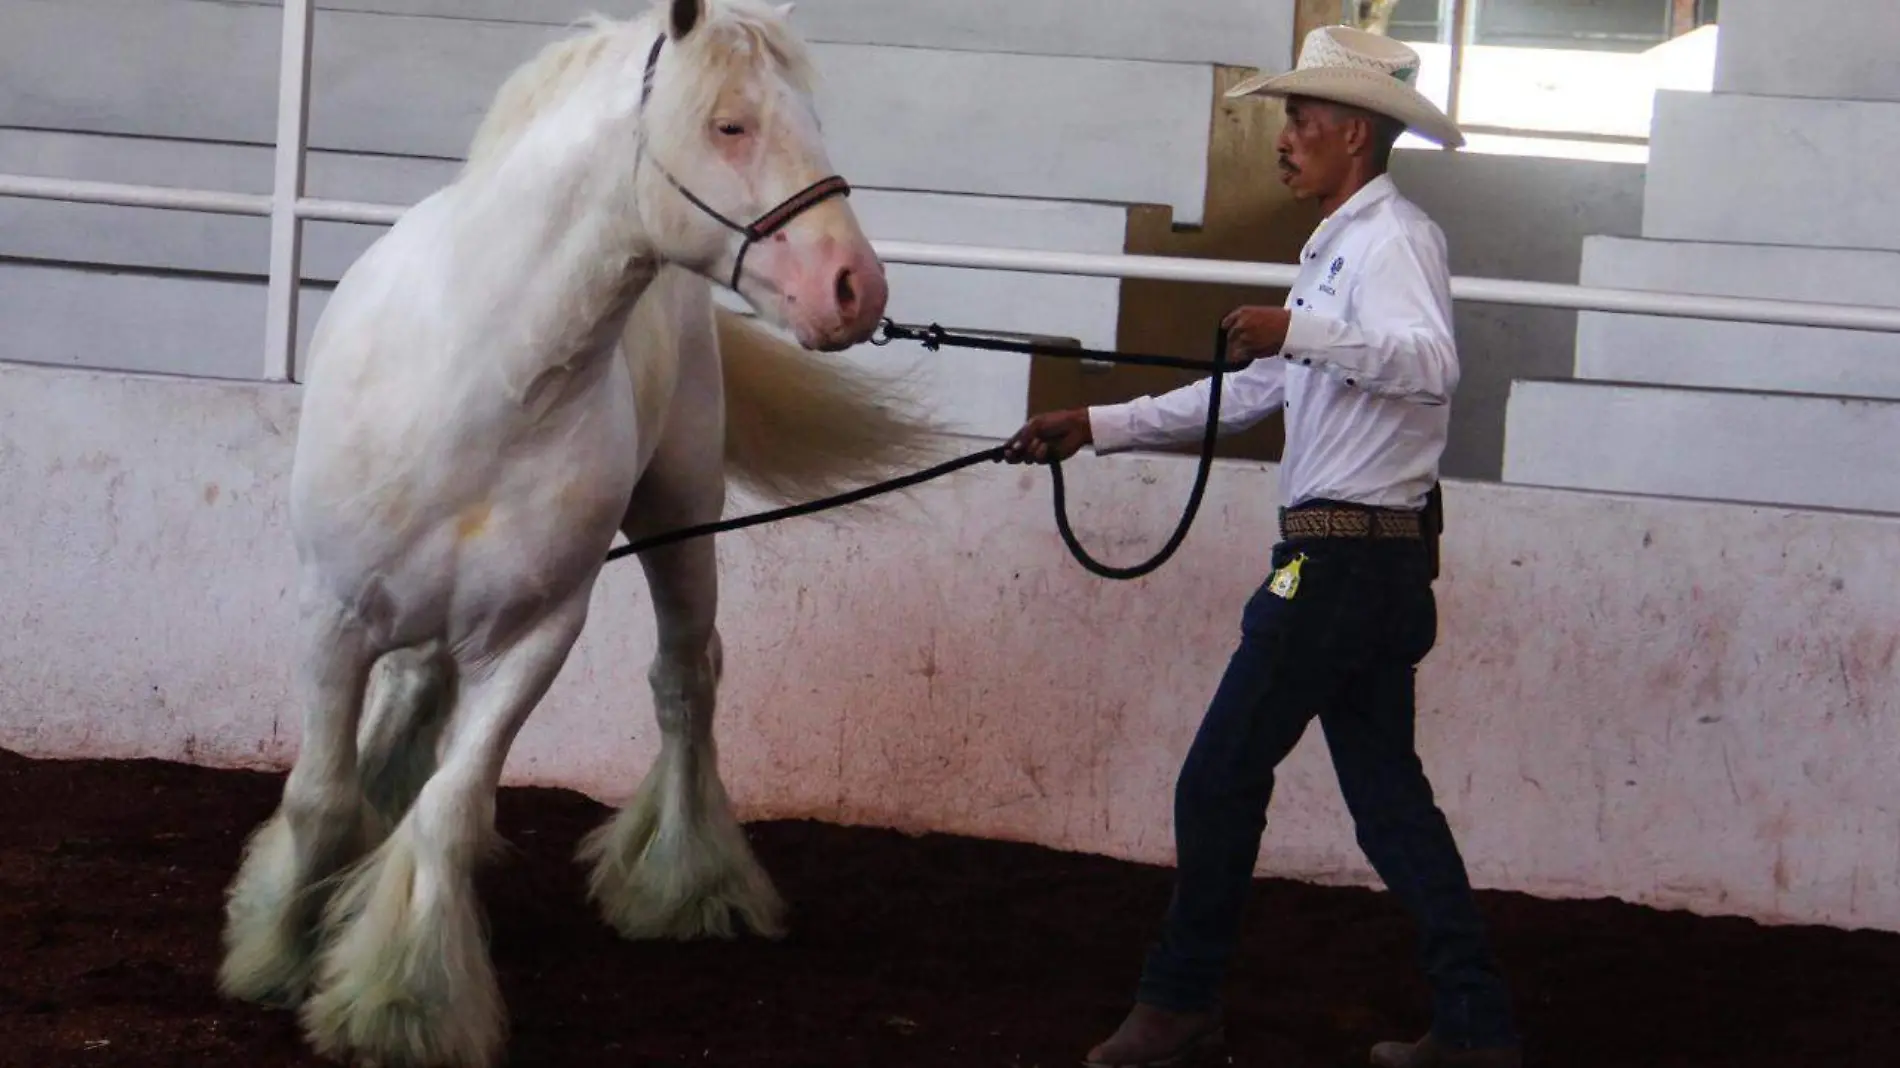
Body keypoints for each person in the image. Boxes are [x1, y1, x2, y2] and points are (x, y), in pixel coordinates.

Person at [1002, 25, 1521, 1068]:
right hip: (1362, 564)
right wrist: (1096, 426)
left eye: (1301, 119)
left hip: (1331, 564)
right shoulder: (1334, 248)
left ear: (1355, 135)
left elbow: (1430, 367)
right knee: (1387, 801)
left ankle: (1181, 1004)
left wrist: (1302, 335)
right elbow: (1253, 394)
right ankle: (1476, 1025)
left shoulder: (1394, 241)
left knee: (1218, 777)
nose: (1282, 137)